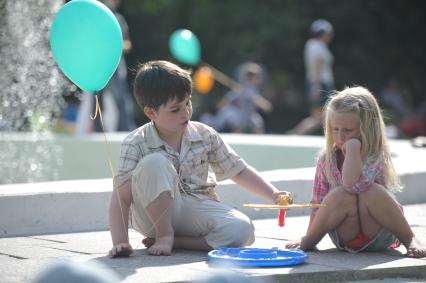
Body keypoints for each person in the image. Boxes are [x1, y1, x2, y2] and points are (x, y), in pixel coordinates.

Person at [108, 60, 293, 257]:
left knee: (243, 230)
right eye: (175, 109)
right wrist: (120, 242)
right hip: (152, 217)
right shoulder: (135, 142)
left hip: (196, 207)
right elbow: (121, 198)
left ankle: (179, 242)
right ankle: (163, 235)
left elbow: (238, 169)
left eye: (187, 102)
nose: (186, 112)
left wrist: (273, 194)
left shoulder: (205, 134)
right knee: (155, 162)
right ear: (151, 112)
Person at [285, 86, 426, 258]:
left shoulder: (375, 155)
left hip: (378, 232)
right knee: (337, 195)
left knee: (371, 190)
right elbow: (317, 200)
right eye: (335, 129)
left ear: (366, 128)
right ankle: (310, 240)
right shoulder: (326, 159)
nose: (340, 137)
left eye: (348, 130)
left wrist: (353, 152)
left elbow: (354, 185)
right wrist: (309, 235)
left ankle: (410, 238)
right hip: (346, 233)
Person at [75, 0, 135, 134]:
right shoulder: (96, 19)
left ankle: (125, 130)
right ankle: (98, 130)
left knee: (121, 99)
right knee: (96, 99)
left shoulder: (119, 19)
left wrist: (116, 45)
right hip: (98, 67)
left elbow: (127, 44)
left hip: (115, 67)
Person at [289, 19, 334, 135]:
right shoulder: (318, 46)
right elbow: (317, 67)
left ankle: (294, 134)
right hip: (320, 83)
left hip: (317, 82)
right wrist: (316, 86)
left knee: (321, 117)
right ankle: (294, 134)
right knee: (319, 118)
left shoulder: (312, 45)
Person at [204, 62, 272, 134]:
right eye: (257, 77)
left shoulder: (249, 88)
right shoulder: (245, 88)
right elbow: (255, 99)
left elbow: (255, 98)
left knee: (257, 123)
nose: (258, 79)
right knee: (238, 126)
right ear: (251, 77)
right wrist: (265, 105)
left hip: (250, 115)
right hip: (241, 115)